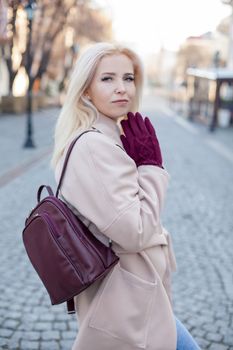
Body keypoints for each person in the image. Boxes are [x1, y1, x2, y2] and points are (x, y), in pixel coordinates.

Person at [51, 42, 200, 350]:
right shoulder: (95, 146)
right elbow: (134, 232)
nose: (122, 88)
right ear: (86, 90)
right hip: (126, 300)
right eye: (108, 79)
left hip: (136, 295)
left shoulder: (107, 138)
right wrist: (150, 167)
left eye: (128, 78)